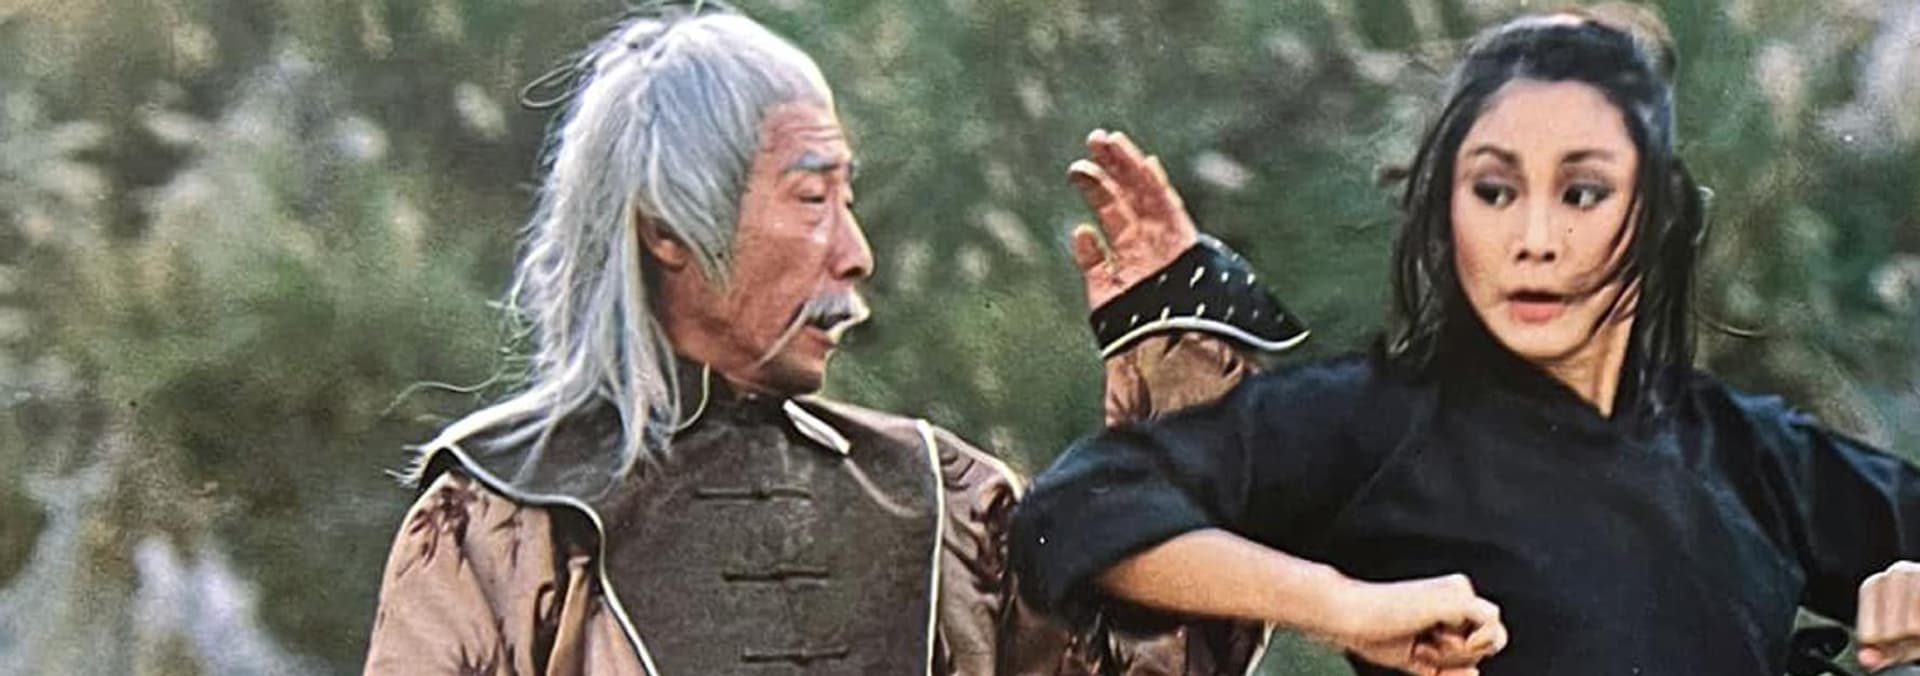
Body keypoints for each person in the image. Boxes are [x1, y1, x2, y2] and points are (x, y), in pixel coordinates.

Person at [359, 3, 1306, 675]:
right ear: (668, 228)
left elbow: (1164, 658)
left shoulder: (945, 500)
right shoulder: (504, 518)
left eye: (847, 198)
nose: (856, 253)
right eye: (812, 197)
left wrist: (1180, 369)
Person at [1012, 10, 1920, 676]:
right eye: (1494, 190)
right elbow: (1072, 512)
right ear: (1446, 208)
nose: (1534, 239)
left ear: (1657, 213)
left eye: (1582, 192)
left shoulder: (1750, 453)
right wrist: (1344, 605)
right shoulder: (1379, 419)